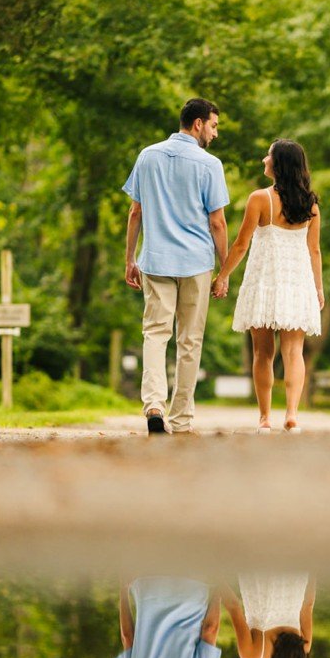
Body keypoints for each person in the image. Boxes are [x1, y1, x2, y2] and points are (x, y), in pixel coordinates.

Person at [124, 98, 229, 435]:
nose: (214, 134)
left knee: (155, 333)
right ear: (197, 124)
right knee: (189, 340)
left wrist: (130, 258)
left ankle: (154, 404)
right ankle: (181, 419)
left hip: (155, 259)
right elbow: (218, 223)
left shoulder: (147, 156)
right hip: (196, 262)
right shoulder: (209, 164)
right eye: (213, 126)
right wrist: (224, 270)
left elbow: (135, 212)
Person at [213, 139, 324, 433]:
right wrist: (319, 289)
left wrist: (222, 275)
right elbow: (315, 251)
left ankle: (264, 418)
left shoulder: (259, 199)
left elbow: (240, 245)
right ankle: (291, 414)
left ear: (279, 164)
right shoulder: (310, 204)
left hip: (264, 282)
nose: (264, 160)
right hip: (297, 282)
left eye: (269, 156)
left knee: (263, 353)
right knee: (294, 351)